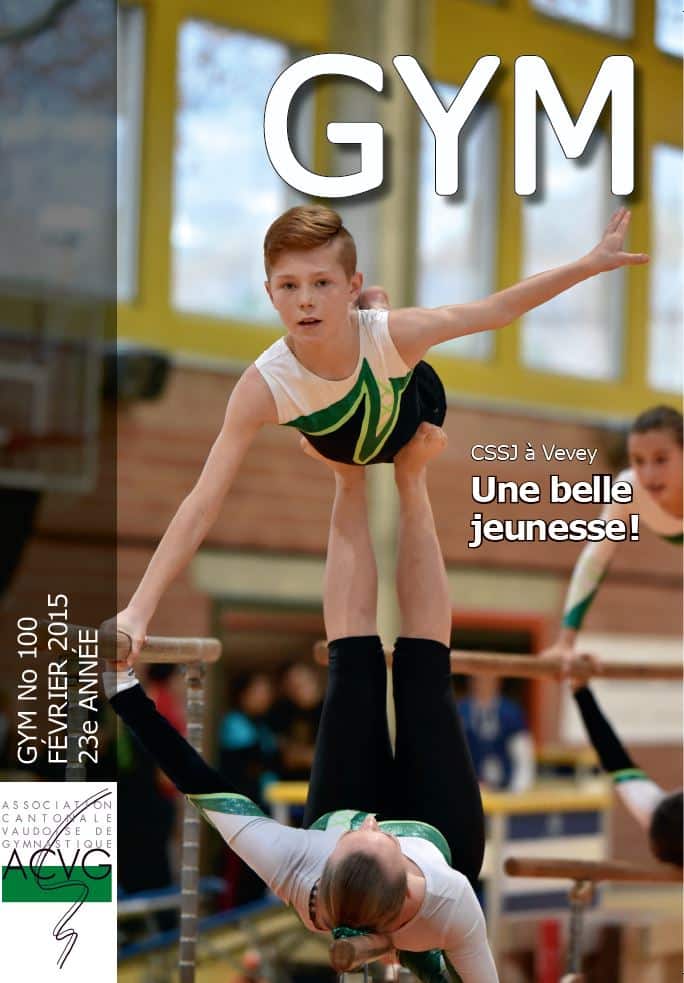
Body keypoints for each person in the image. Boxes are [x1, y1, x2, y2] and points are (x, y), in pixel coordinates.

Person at [105, 204, 648, 658]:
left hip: (411, 414)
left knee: (396, 341)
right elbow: (202, 502)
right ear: (269, 293)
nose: (305, 300)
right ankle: (372, 315)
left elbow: (497, 311)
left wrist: (589, 264)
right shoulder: (261, 386)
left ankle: (377, 310)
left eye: (322, 283)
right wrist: (139, 609)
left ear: (350, 285)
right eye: (289, 286)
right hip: (337, 441)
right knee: (342, 442)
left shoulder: (396, 336)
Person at [106, 425, 499, 982]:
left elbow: (197, 779)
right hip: (445, 834)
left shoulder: (293, 863)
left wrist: (122, 688)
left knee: (353, 665)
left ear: (327, 858)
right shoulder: (449, 898)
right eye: (381, 833)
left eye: (363, 830)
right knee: (424, 673)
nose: (374, 819)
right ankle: (412, 478)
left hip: (337, 833)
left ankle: (347, 478)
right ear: (412, 879)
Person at [547, 405, 682, 656]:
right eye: (638, 461)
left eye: (661, 460)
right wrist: (566, 642)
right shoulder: (628, 488)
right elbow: (594, 560)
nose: (649, 474)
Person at [567, 655, 682, 867]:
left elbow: (613, 756)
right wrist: (581, 691)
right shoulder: (658, 815)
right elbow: (613, 756)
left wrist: (581, 691)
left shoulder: (657, 815)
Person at [457, 676, 534, 792]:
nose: (483, 684)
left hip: (505, 788)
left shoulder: (511, 713)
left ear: (497, 682)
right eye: (478, 679)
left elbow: (523, 758)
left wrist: (517, 791)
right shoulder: (460, 711)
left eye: (487, 678)